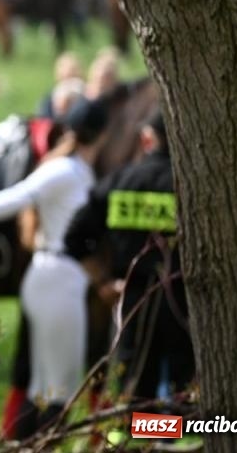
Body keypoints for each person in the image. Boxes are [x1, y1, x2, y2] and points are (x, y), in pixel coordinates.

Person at [0, 97, 111, 432]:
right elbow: (14, 199)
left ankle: (20, 442)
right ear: (102, 136)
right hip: (60, 282)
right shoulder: (67, 171)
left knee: (43, 387)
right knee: (59, 389)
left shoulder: (69, 168)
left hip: (49, 279)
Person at [65, 108, 192, 404]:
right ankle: (173, 443)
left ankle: (142, 441)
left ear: (147, 140)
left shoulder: (120, 180)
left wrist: (103, 282)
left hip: (133, 299)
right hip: (184, 301)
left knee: (135, 387)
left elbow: (74, 237)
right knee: (182, 387)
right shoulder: (192, 186)